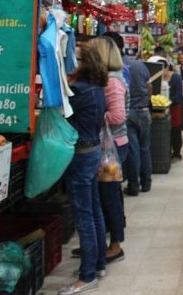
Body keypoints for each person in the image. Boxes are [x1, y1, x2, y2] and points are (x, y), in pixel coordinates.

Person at [60, 45, 108, 295]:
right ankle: (99, 264)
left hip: (81, 155)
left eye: (74, 58)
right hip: (92, 151)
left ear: (84, 62)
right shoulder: (97, 87)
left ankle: (87, 275)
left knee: (83, 215)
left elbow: (61, 112)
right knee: (94, 210)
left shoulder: (79, 89)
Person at [89, 36, 128, 264]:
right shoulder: (107, 79)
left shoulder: (112, 81)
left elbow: (118, 116)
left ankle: (115, 244)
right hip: (107, 146)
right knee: (107, 195)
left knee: (109, 196)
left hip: (112, 148)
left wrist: (93, 115)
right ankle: (100, 242)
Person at [104, 32, 152, 196]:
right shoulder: (139, 65)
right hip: (144, 111)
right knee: (144, 148)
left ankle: (133, 186)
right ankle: (146, 182)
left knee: (133, 151)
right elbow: (149, 86)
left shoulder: (114, 69)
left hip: (128, 113)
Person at [162, 62, 183, 159]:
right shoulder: (158, 78)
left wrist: (167, 101)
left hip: (175, 107)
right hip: (163, 108)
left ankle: (176, 153)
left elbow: (179, 96)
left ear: (167, 67)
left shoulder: (176, 78)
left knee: (175, 130)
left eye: (163, 69)